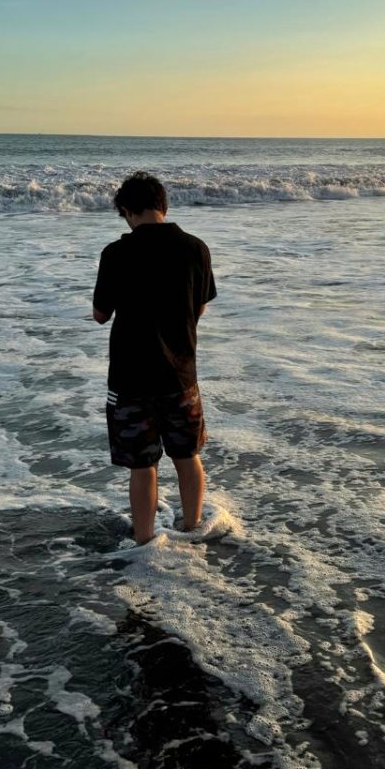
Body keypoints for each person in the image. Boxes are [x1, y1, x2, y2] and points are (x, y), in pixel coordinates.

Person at [92, 171, 216, 545]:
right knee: (187, 456)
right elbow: (201, 308)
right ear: (164, 206)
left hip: (130, 380)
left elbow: (101, 314)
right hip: (181, 376)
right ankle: (192, 528)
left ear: (128, 211)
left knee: (142, 466)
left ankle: (145, 542)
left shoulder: (116, 253)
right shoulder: (196, 248)